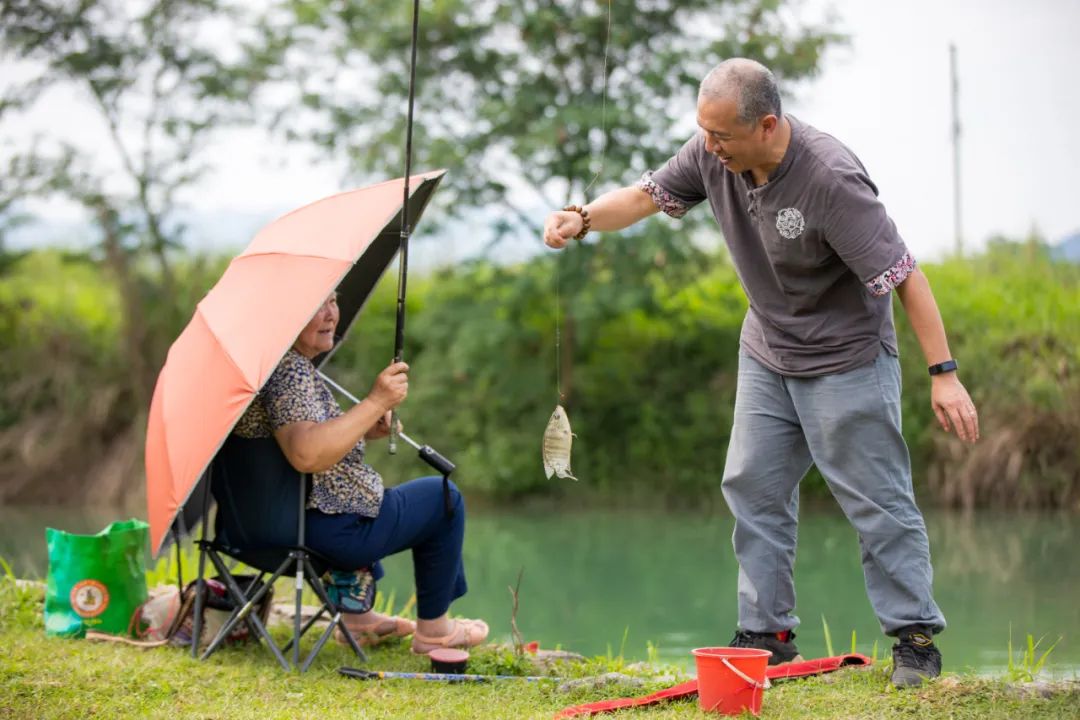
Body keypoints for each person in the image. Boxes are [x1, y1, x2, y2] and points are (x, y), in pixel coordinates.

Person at [543, 58, 980, 689]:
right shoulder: (710, 155)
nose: (708, 146)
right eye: (703, 133)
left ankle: (914, 638)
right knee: (752, 489)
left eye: (721, 135)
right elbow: (643, 198)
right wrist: (581, 219)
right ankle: (766, 635)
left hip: (846, 360)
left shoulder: (830, 178)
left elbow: (904, 275)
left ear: (767, 125)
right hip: (768, 352)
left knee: (877, 503)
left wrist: (944, 372)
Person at [232, 290, 489, 653]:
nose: (330, 314)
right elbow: (306, 454)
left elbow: (304, 437)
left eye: (334, 301)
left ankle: (359, 621)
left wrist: (365, 424)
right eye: (316, 304)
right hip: (322, 533)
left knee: (370, 495)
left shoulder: (270, 368)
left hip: (259, 528)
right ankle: (435, 632)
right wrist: (376, 401)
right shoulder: (288, 372)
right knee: (443, 497)